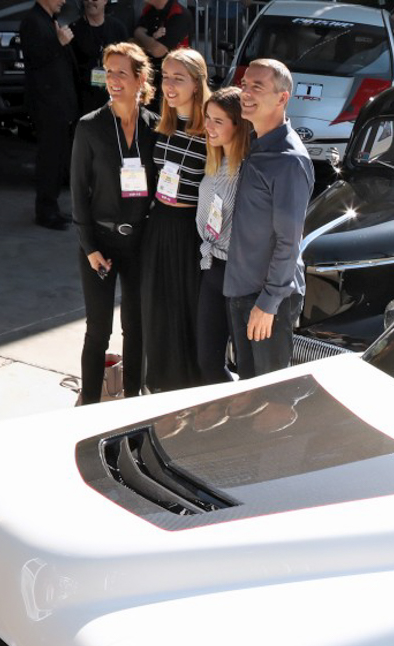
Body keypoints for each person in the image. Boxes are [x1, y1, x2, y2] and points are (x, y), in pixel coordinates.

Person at [70, 41, 158, 403]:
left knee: (135, 328)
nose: (113, 80)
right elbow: (78, 192)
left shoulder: (156, 126)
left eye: (122, 72)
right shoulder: (90, 127)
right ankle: (89, 405)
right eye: (108, 72)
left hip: (140, 242)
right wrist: (89, 247)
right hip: (100, 244)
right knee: (98, 329)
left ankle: (133, 399)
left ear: (140, 79)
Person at [224, 58, 314, 378]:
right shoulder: (256, 142)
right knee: (249, 395)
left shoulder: (289, 160)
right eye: (244, 85)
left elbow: (289, 240)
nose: (245, 92)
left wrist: (268, 303)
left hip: (266, 300)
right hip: (242, 291)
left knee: (269, 407)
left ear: (282, 99)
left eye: (256, 87)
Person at [142, 48, 210, 391]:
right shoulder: (162, 125)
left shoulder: (211, 131)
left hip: (189, 232)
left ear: (196, 85)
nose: (169, 85)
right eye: (165, 77)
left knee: (187, 311)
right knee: (158, 309)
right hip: (159, 224)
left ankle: (188, 388)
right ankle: (158, 383)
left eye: (178, 79)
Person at [196, 85, 248, 383]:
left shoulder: (247, 170)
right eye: (208, 118)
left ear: (237, 125)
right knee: (207, 360)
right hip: (210, 266)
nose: (209, 127)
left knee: (245, 363)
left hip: (237, 272)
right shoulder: (215, 160)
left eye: (218, 121)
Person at [22, 0, 82, 229]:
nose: (63, 1)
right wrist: (58, 42)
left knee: (58, 158)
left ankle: (52, 207)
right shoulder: (32, 22)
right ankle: (45, 211)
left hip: (59, 102)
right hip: (47, 104)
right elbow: (35, 59)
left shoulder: (49, 20)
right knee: (49, 159)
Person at [71, 0, 130, 113]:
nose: (90, 1)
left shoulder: (118, 28)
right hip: (86, 100)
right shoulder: (74, 30)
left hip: (115, 97)